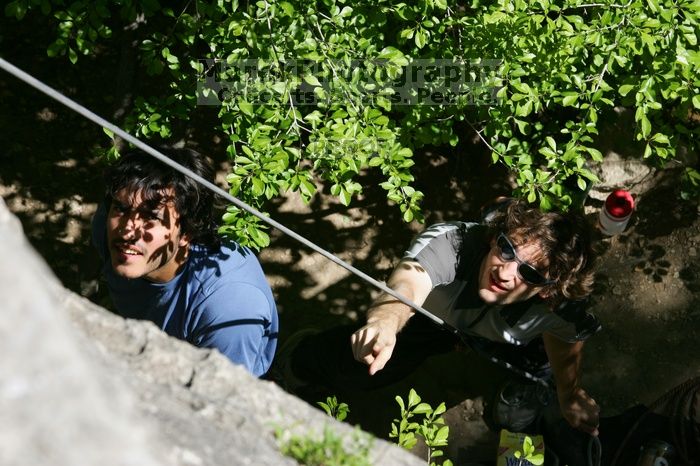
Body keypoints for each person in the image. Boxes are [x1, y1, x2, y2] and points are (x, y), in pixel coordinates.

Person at [284, 198, 601, 435]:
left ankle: (528, 388)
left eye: (529, 272)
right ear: (495, 237)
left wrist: (568, 393)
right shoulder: (451, 245)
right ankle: (301, 361)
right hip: (429, 319)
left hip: (507, 335)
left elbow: (564, 340)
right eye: (506, 248)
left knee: (537, 360)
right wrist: (386, 322)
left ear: (549, 290)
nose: (505, 272)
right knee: (363, 365)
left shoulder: (561, 308)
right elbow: (407, 283)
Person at [92, 147, 279, 377]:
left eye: (152, 217)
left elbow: (223, 396)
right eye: (121, 208)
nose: (128, 230)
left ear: (187, 232)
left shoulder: (227, 307)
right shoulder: (106, 227)